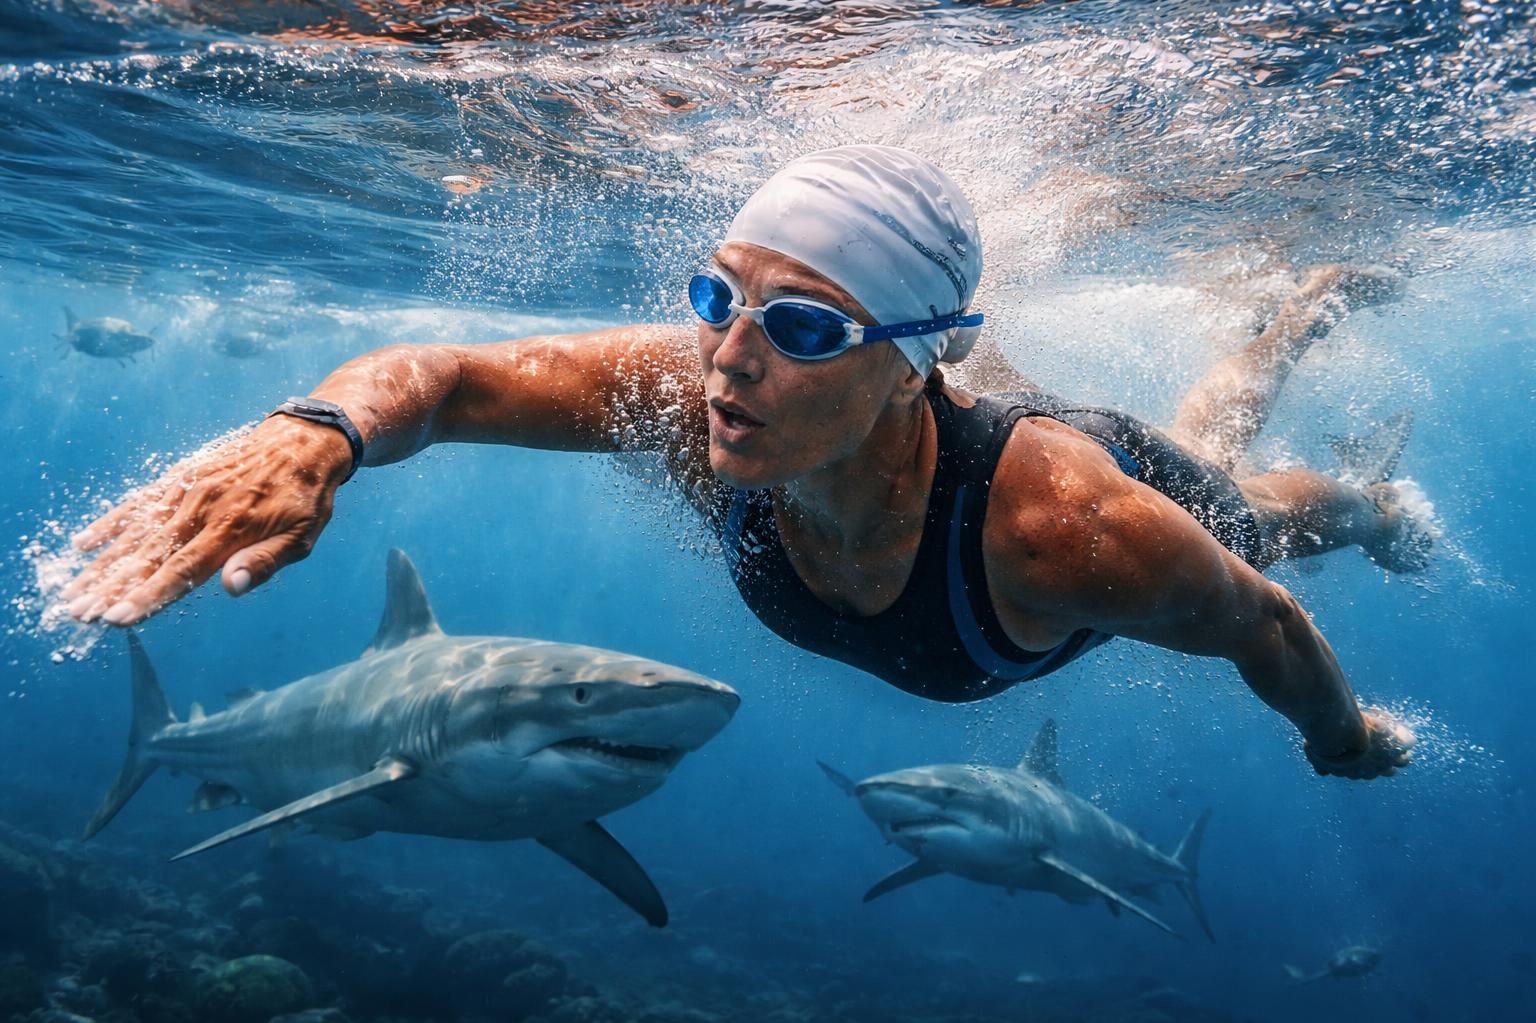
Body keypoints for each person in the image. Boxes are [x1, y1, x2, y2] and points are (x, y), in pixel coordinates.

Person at [61, 146, 1425, 780]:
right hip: (941, 413)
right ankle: (1287, 331)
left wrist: (1345, 739)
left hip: (1079, 480)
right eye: (719, 299)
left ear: (909, 361)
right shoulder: (688, 404)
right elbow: (454, 376)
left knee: (1246, 506)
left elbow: (1263, 623)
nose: (728, 361)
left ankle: (1343, 448)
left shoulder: (1068, 533)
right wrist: (319, 430)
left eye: (802, 327)